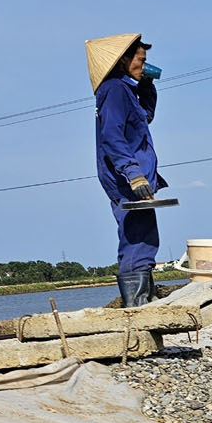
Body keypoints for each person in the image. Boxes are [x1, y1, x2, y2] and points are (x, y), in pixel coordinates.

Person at [88, 33, 165, 307]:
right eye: (140, 61)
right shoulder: (115, 91)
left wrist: (147, 87)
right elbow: (112, 136)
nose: (144, 65)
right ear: (123, 59)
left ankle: (143, 296)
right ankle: (136, 303)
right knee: (136, 234)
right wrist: (133, 173)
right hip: (126, 179)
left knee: (144, 234)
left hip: (133, 177)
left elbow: (144, 120)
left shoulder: (126, 90)